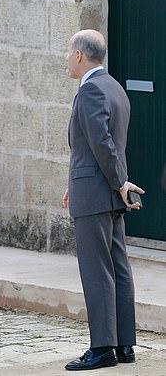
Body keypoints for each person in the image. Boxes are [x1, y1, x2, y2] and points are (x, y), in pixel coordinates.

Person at [62, 29, 144, 371]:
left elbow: (102, 145)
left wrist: (119, 183)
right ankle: (123, 345)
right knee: (118, 270)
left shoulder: (91, 89)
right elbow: (99, 146)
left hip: (99, 194)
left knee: (97, 273)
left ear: (80, 55)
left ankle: (102, 348)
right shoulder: (114, 86)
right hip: (103, 191)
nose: (66, 58)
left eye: (68, 52)